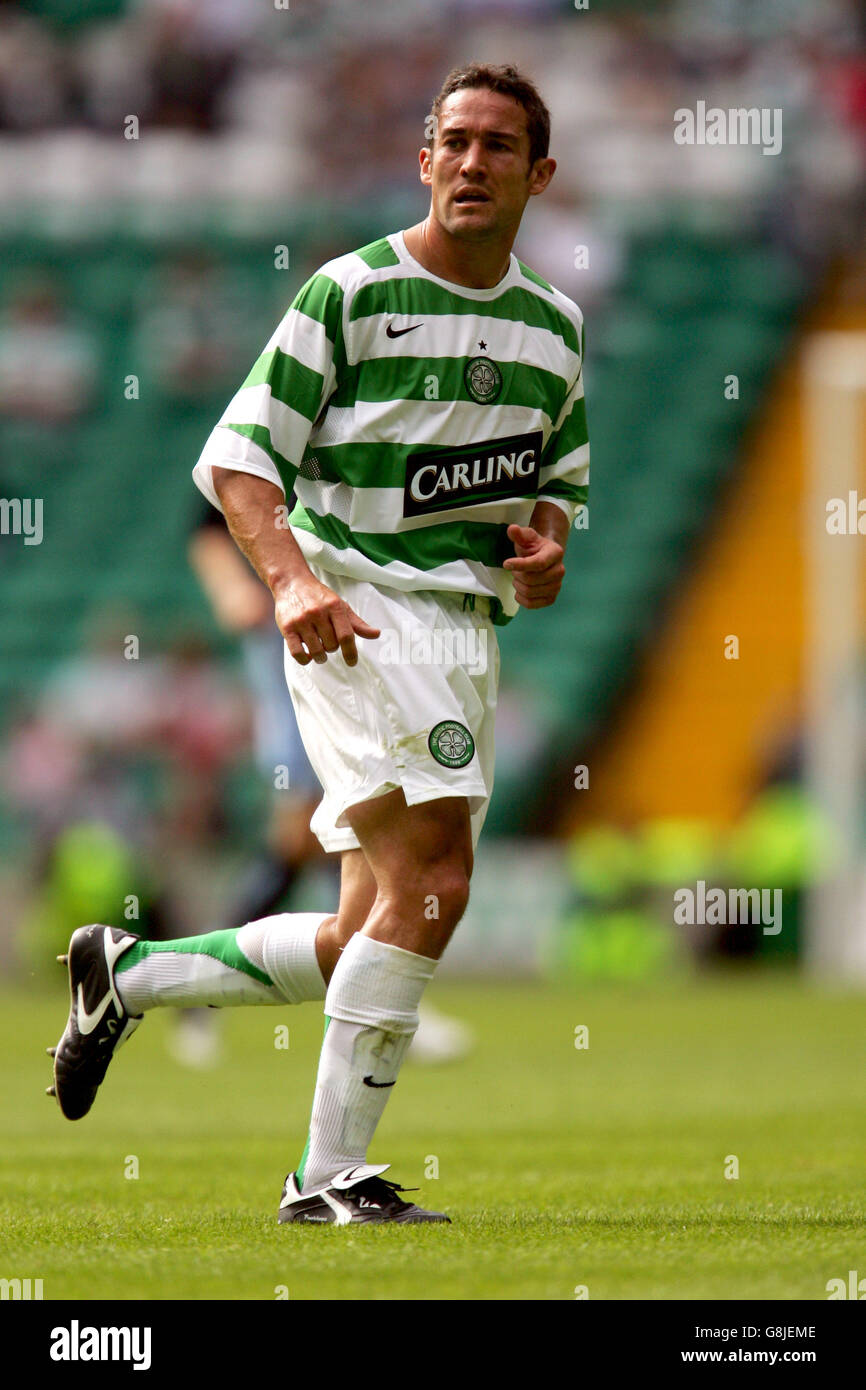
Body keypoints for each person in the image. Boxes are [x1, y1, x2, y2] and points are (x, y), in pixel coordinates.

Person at [48, 63, 589, 1226]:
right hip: (356, 613)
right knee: (437, 879)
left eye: (500, 147)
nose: (472, 162)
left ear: (538, 174)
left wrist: (545, 547)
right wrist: (289, 582)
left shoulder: (553, 328)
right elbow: (239, 463)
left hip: (461, 630)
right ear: (422, 158)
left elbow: (553, 490)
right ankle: (325, 1180)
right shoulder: (346, 295)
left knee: (369, 919)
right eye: (453, 140)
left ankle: (127, 974)